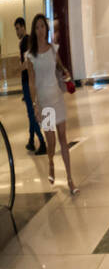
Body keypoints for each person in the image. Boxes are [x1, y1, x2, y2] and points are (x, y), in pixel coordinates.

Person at [25, 15, 77, 194]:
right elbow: (32, 82)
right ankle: (51, 162)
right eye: (37, 27)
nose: (41, 30)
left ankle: (70, 179)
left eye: (43, 26)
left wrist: (66, 73)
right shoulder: (30, 55)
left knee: (63, 138)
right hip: (45, 103)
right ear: (34, 30)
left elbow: (60, 68)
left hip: (57, 98)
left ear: (46, 29)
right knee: (51, 142)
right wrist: (34, 105)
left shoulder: (53, 49)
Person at [14, 17, 46, 155]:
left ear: (23, 27)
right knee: (30, 113)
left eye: (17, 28)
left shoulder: (25, 41)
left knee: (32, 114)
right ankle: (31, 141)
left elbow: (27, 62)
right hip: (28, 81)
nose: (16, 31)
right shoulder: (25, 41)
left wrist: (17, 70)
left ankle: (42, 142)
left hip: (28, 81)